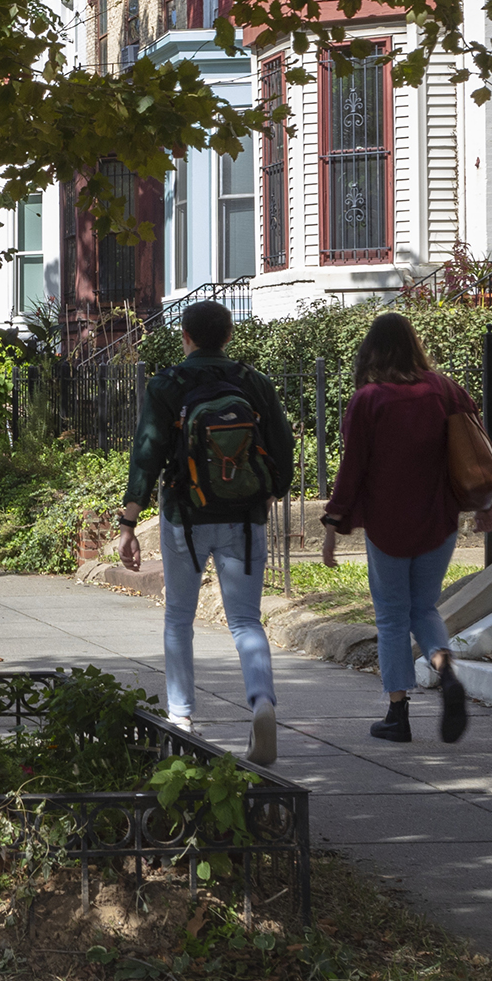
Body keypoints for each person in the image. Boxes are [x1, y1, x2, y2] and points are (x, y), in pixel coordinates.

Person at [117, 299, 293, 765]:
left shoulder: (167, 384)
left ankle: (182, 718)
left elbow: (147, 452)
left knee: (179, 617)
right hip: (244, 518)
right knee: (245, 621)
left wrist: (129, 523)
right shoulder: (253, 383)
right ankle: (262, 703)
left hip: (186, 520)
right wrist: (269, 491)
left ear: (186, 337)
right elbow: (282, 445)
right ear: (229, 335)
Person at [319, 311, 473, 744]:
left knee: (390, 618)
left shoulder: (369, 399)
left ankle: (397, 715)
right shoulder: (445, 389)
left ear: (371, 349)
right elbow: (474, 446)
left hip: (388, 521)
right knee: (424, 608)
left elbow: (353, 468)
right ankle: (445, 670)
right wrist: (485, 505)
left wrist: (334, 522)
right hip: (438, 517)